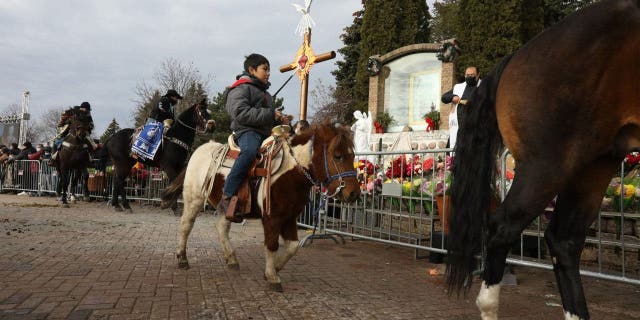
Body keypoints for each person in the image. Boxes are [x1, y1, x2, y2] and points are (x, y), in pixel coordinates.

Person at [218, 53, 287, 222]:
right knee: (249, 152)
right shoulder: (241, 88)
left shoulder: (267, 95)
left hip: (265, 133)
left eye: (269, 69)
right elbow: (240, 113)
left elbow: (267, 117)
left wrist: (280, 119)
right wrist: (270, 114)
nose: (268, 73)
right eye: (265, 69)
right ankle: (227, 196)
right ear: (251, 69)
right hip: (247, 131)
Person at [131, 89, 183, 160]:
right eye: (176, 98)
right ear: (171, 96)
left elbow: (172, 117)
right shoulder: (164, 100)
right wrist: (168, 116)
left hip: (163, 123)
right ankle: (136, 152)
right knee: (151, 133)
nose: (177, 100)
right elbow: (160, 108)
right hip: (154, 120)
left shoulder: (172, 107)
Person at [441, 66, 481, 149]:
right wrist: (453, 97)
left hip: (476, 129)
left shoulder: (483, 87)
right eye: (467, 75)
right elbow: (444, 98)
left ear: (477, 75)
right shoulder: (458, 87)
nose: (469, 77)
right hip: (458, 127)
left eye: (472, 75)